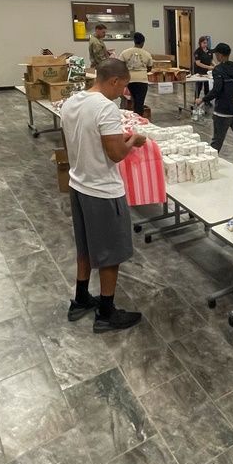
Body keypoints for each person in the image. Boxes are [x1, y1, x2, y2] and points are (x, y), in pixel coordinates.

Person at [60, 59, 145, 332]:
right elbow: (117, 153)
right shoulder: (107, 108)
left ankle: (81, 298)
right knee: (110, 253)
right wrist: (133, 140)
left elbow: (73, 142)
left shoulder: (72, 102)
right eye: (124, 86)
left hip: (78, 184)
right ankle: (107, 313)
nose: (124, 92)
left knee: (85, 248)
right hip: (103, 191)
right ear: (114, 81)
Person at [194, 42, 233, 173]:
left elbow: (216, 90)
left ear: (220, 56)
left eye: (216, 54)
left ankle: (209, 164)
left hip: (223, 111)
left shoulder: (218, 70)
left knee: (217, 140)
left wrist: (202, 100)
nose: (215, 56)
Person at [118, 32, 153, 117]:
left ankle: (130, 118)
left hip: (129, 80)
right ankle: (138, 119)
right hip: (142, 80)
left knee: (132, 100)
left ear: (134, 41)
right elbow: (149, 68)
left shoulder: (125, 53)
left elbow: (121, 65)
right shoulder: (147, 54)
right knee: (139, 103)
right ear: (143, 42)